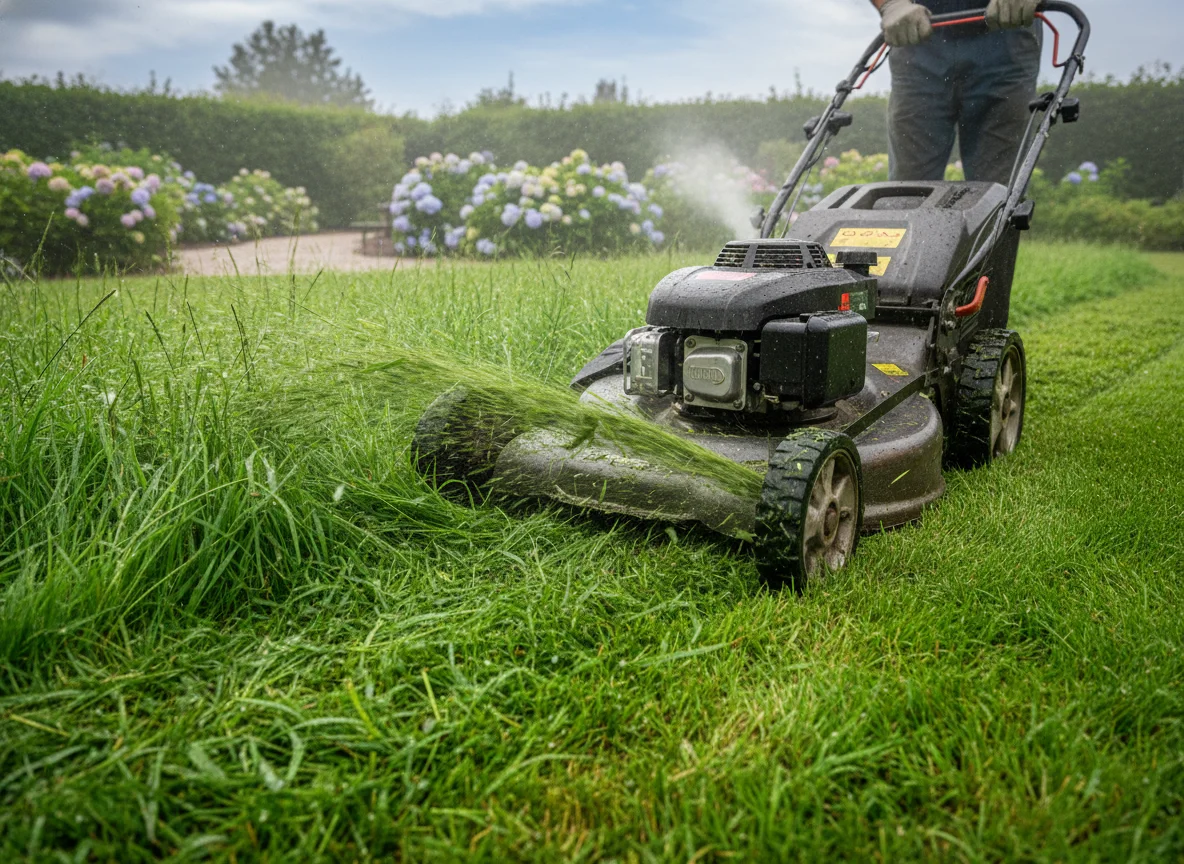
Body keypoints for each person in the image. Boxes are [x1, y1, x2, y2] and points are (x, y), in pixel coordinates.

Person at [872, 0, 1043, 184]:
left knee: (998, 193)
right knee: (906, 190)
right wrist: (892, 4)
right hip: (916, 33)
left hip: (1007, 32)